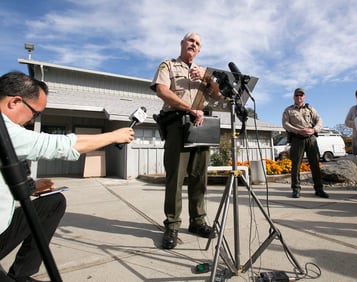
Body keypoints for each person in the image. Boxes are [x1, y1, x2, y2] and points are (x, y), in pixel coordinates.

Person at [0, 71, 135, 282]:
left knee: (53, 202)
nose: (31, 121)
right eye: (34, 113)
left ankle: (22, 274)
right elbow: (58, 145)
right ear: (14, 102)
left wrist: (31, 186)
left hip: (3, 226)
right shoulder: (3, 129)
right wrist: (114, 135)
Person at [150, 32, 220, 249]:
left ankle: (198, 222)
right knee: (176, 178)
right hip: (177, 124)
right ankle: (172, 226)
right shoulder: (168, 65)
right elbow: (161, 90)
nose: (194, 45)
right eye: (191, 41)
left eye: (197, 43)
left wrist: (207, 79)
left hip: (200, 126)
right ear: (182, 44)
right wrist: (190, 109)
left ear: (199, 50)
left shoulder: (203, 73)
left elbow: (218, 96)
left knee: (199, 178)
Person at [282, 88, 329, 199]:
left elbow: (319, 120)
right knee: (296, 165)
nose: (299, 97)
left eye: (301, 95)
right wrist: (298, 130)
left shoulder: (310, 109)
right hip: (297, 139)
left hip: (311, 138)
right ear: (294, 97)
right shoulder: (288, 110)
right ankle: (296, 189)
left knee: (315, 164)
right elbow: (285, 124)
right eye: (297, 95)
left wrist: (314, 130)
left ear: (304, 97)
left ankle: (319, 189)